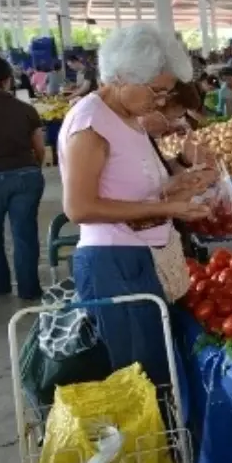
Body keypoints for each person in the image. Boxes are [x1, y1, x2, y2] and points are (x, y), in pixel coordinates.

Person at [58, 23, 214, 384]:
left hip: (142, 258)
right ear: (121, 77)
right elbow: (80, 208)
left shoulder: (129, 118)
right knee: (140, 376)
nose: (159, 102)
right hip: (115, 264)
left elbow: (133, 189)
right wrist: (166, 209)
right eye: (155, 92)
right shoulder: (90, 125)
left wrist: (179, 183)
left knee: (159, 369)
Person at [0, 56, 46, 300]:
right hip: (26, 175)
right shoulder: (26, 109)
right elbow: (39, 148)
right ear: (6, 81)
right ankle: (29, 290)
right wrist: (31, 165)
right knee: (24, 235)